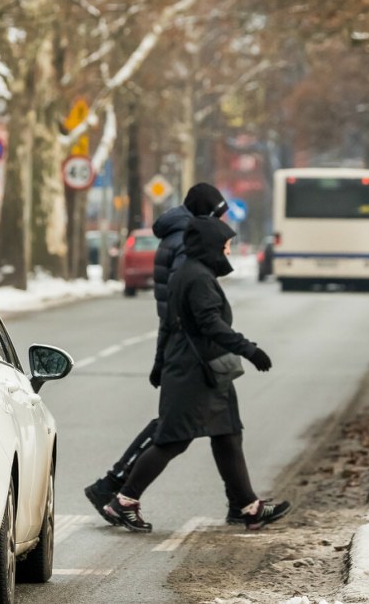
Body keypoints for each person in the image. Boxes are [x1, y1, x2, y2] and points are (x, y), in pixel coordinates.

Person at [102, 216, 291, 532]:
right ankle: (124, 501)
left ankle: (248, 506)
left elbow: (172, 324)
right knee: (172, 439)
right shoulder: (198, 277)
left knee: (227, 433)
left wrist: (160, 362)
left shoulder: (192, 271)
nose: (228, 251)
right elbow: (210, 324)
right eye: (225, 245)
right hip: (193, 372)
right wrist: (250, 350)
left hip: (203, 370)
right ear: (210, 246)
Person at [83, 183, 229, 523]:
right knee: (171, 428)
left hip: (182, 342)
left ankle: (242, 501)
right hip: (189, 346)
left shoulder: (177, 232)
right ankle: (115, 487)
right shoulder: (185, 239)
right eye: (219, 216)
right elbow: (188, 294)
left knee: (209, 426)